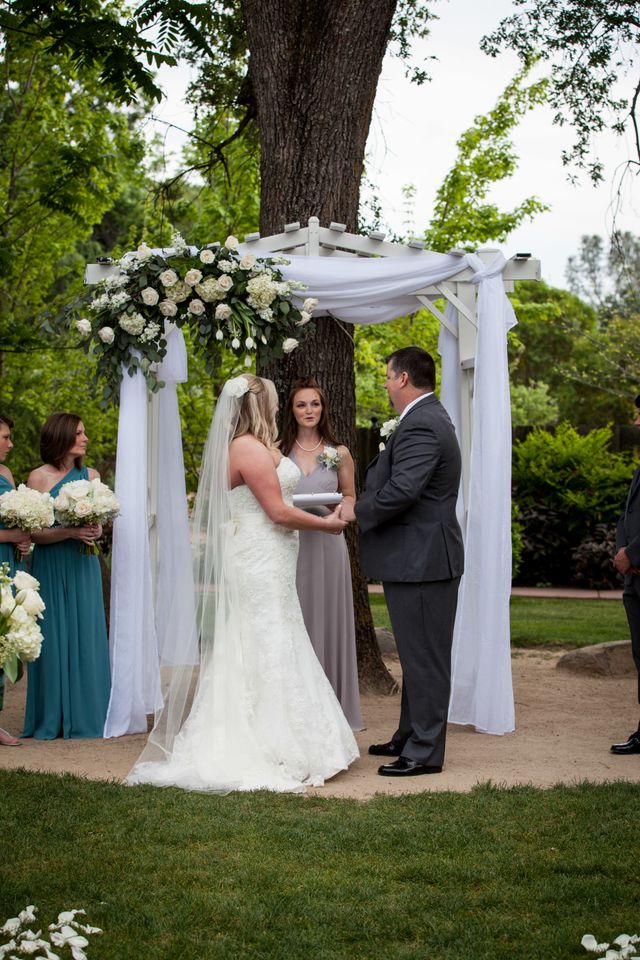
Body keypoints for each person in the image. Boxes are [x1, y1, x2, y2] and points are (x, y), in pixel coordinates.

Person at [127, 374, 359, 793]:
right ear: (256, 405)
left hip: (270, 557)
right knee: (266, 639)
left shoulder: (257, 446)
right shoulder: (247, 449)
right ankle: (268, 744)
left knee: (274, 636)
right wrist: (325, 526)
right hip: (259, 558)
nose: (276, 406)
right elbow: (278, 512)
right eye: (270, 400)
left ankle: (295, 737)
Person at [355, 346, 464, 777]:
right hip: (418, 558)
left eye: (386, 376)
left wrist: (356, 510)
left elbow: (403, 491)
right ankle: (408, 732)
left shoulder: (422, 424)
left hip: (425, 560)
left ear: (402, 379)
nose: (384, 384)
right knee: (415, 653)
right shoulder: (425, 417)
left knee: (427, 658)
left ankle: (423, 751)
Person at [280, 378, 363, 730]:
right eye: (302, 405)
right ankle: (296, 709)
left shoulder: (339, 452)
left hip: (329, 546)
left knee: (328, 622)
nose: (309, 411)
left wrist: (344, 513)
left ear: (323, 408)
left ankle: (335, 710)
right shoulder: (278, 452)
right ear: (292, 410)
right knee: (296, 621)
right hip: (291, 545)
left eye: (315, 404)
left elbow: (350, 496)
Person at [23, 413, 111, 739]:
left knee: (87, 635)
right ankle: (52, 717)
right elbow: (34, 533)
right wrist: (70, 532)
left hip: (83, 565)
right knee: (53, 637)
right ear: (61, 436)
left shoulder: (91, 475)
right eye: (79, 433)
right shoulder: (38, 479)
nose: (85, 438)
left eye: (85, 432)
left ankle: (90, 715)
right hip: (51, 564)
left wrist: (96, 527)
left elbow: (99, 522)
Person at [611, 393, 640, 755]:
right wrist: (624, 553)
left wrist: (633, 553)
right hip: (634, 577)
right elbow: (628, 515)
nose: (635, 423)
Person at [0, 414, 31, 747]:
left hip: (5, 564)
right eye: (5, 437)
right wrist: (8, 534)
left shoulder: (5, 474)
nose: (10, 443)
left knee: (3, 640)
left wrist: (21, 539)